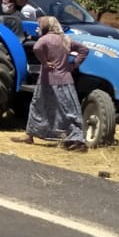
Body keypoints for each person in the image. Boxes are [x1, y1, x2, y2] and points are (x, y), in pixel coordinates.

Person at [18, 16, 92, 151]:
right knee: (69, 110)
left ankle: (30, 135)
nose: (38, 28)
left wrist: (45, 62)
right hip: (65, 80)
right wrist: (73, 65)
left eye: (40, 26)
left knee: (38, 107)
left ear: (46, 27)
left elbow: (36, 47)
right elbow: (84, 50)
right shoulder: (65, 39)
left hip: (47, 79)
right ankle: (74, 137)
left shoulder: (45, 39)